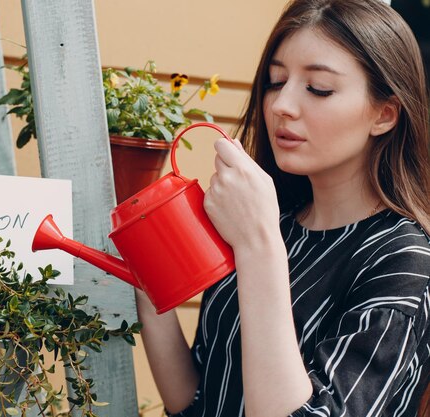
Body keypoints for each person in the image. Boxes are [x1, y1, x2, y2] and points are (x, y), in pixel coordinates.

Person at [135, 0, 430, 416]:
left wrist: (258, 245)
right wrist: (147, 278)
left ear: (385, 114)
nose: (280, 106)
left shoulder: (402, 261)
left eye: (318, 89)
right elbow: (200, 399)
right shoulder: (272, 222)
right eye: (275, 81)